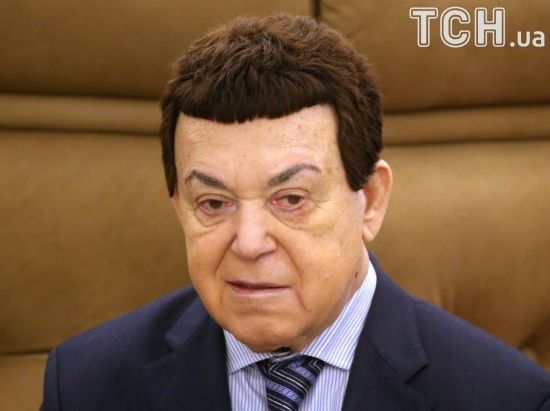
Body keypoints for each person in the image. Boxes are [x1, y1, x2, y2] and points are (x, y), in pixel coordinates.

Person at [41, 14, 550, 411]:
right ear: (180, 209)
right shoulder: (87, 384)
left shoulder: (507, 397)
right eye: (214, 204)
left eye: (291, 200)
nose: (249, 243)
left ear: (371, 200)